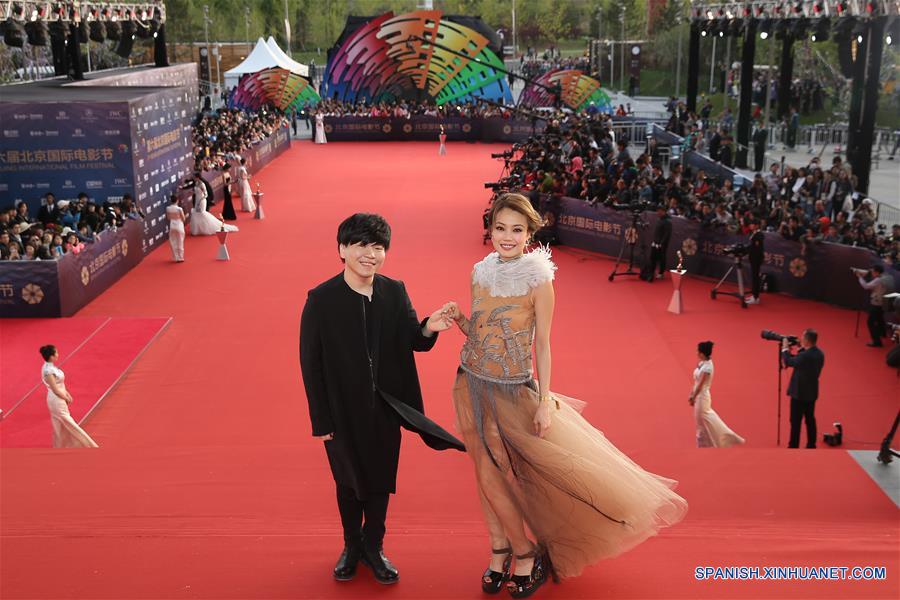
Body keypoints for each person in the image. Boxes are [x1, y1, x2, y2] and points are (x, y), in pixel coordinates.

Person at [445, 193, 687, 597]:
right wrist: (460, 321)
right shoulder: (480, 271)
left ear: (529, 234)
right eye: (500, 228)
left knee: (496, 472)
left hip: (510, 389)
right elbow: (483, 333)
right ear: (490, 229)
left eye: (517, 230)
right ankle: (499, 550)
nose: (507, 237)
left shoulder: (539, 278)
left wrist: (544, 400)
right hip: (469, 381)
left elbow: (542, 345)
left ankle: (524, 552)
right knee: (485, 473)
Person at [299, 213, 464, 585]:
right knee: (347, 481)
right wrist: (320, 421)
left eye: (378, 247)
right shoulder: (321, 300)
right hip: (341, 411)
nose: (370, 254)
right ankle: (351, 546)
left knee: (379, 480)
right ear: (342, 249)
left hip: (387, 407)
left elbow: (414, 339)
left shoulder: (394, 291)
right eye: (360, 245)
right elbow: (311, 365)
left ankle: (373, 547)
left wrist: (428, 326)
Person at [39, 345, 99, 448]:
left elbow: (59, 385)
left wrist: (67, 393)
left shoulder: (49, 366)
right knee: (69, 422)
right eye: (56, 353)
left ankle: (61, 446)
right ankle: (89, 445)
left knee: (59, 425)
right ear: (51, 356)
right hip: (56, 399)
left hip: (58, 397)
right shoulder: (48, 371)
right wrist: (65, 397)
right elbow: (55, 389)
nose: (58, 354)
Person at [689, 341, 745, 448]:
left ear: (702, 353)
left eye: (698, 351)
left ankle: (714, 442)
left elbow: (700, 385)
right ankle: (706, 443)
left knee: (702, 422)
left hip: (702, 398)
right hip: (699, 397)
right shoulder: (702, 363)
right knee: (702, 422)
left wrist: (693, 397)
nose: (696, 353)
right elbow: (696, 382)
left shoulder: (707, 368)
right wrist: (691, 393)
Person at [782, 330, 825, 449]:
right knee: (810, 419)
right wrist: (800, 348)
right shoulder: (820, 354)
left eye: (802, 337)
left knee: (795, 421)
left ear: (807, 340)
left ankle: (793, 445)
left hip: (799, 394)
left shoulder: (805, 356)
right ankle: (811, 444)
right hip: (811, 392)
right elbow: (802, 360)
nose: (800, 339)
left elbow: (789, 361)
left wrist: (785, 349)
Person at [854, 265, 893, 347]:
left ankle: (877, 341)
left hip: (877, 303)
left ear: (877, 272)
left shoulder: (878, 280)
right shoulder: (888, 277)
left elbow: (866, 286)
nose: (872, 273)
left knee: (870, 322)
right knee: (880, 318)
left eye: (873, 272)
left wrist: (860, 277)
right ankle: (883, 333)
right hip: (886, 302)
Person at [647, 205, 671, 282]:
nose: (658, 212)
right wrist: (654, 241)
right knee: (652, 258)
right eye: (657, 211)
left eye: (660, 211)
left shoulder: (668, 221)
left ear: (664, 211)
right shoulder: (659, 220)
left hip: (662, 244)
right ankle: (651, 272)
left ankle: (661, 273)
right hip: (655, 242)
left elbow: (667, 234)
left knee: (661, 258)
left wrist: (661, 244)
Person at [746, 219, 765, 305]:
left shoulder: (759, 235)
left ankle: (756, 297)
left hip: (756, 258)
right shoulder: (753, 234)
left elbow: (757, 248)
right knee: (754, 276)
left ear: (757, 225)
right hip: (753, 257)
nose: (751, 226)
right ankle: (754, 294)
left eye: (752, 224)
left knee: (755, 277)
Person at [165, 194, 186, 262]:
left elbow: (168, 218)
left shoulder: (168, 208)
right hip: (179, 225)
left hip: (172, 226)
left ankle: (175, 257)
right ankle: (181, 257)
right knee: (180, 241)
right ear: (177, 200)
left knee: (173, 241)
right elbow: (183, 218)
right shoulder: (179, 209)